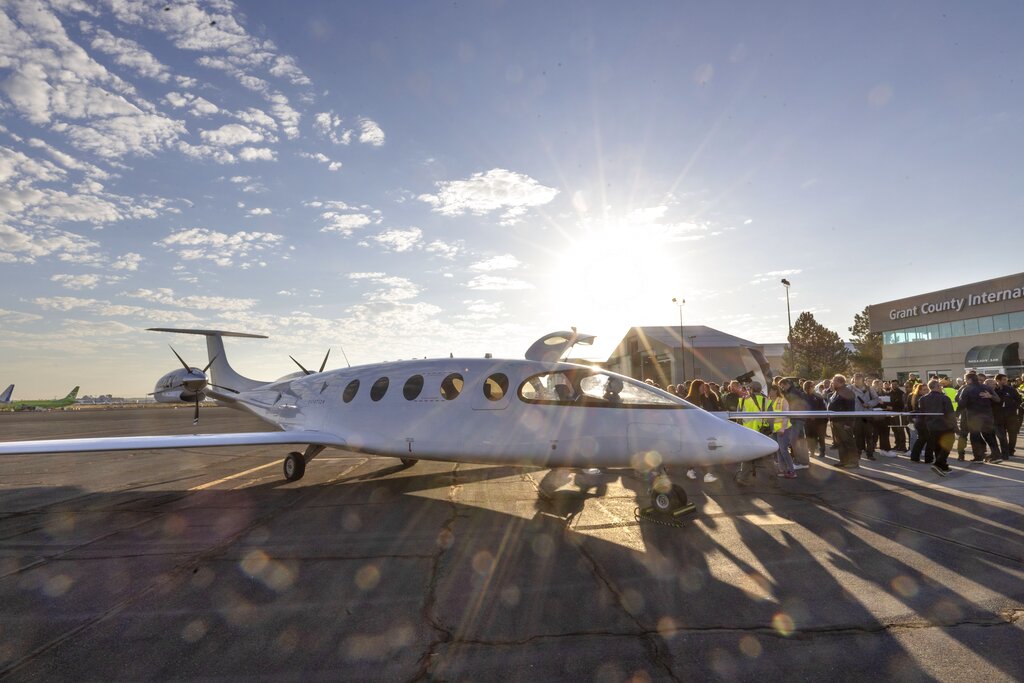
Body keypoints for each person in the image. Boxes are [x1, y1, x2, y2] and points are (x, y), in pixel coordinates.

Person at [735, 382, 780, 487]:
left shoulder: (742, 402)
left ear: (750, 389)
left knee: (747, 457)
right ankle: (774, 481)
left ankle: (743, 478)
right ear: (760, 390)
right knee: (768, 459)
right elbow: (771, 419)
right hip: (762, 433)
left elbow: (738, 419)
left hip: (747, 434)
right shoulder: (767, 401)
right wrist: (771, 431)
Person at [957, 372, 1001, 462]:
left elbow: (961, 404)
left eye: (965, 379)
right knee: (989, 436)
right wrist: (990, 396)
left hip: (974, 417)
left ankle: (978, 457)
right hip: (988, 416)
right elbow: (998, 399)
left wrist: (956, 414)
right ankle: (996, 456)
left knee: (975, 437)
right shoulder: (986, 387)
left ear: (969, 380)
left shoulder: (966, 389)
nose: (965, 381)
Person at [918, 379, 956, 475]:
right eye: (940, 386)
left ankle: (943, 466)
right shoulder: (944, 398)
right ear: (937, 387)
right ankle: (938, 464)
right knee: (948, 444)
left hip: (931, 426)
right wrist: (955, 426)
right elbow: (950, 414)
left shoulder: (923, 398)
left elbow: (922, 414)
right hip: (945, 426)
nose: (941, 387)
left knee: (938, 446)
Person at [684, 380, 719, 483]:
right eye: (702, 387)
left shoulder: (704, 398)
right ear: (696, 388)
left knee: (704, 451)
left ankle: (704, 473)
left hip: (703, 429)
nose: (705, 389)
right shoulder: (689, 400)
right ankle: (693, 470)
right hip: (693, 430)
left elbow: (710, 411)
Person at [778, 377, 811, 469]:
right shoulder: (795, 391)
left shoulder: (792, 393)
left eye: (782, 386)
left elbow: (791, 405)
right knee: (800, 440)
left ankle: (800, 462)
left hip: (796, 419)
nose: (782, 388)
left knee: (795, 440)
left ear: (785, 384)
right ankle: (804, 462)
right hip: (799, 419)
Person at [828, 374, 859, 467]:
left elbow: (850, 409)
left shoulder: (847, 392)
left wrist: (848, 423)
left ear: (840, 382)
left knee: (848, 442)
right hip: (836, 421)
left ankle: (853, 463)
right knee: (840, 443)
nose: (832, 383)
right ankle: (843, 461)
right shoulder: (837, 392)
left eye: (834, 381)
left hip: (844, 422)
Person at [769, 385, 797, 478]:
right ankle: (782, 470)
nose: (768, 392)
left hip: (783, 429)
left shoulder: (782, 400)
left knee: (783, 450)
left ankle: (792, 471)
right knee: (778, 450)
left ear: (775, 391)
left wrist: (782, 429)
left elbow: (786, 415)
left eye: (770, 390)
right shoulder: (769, 401)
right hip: (774, 429)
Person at [851, 373, 880, 460]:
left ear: (862, 380)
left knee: (869, 436)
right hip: (856, 415)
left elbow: (876, 399)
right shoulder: (850, 388)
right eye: (855, 379)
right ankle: (858, 453)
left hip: (867, 415)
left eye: (858, 379)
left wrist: (868, 404)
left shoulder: (869, 388)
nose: (856, 381)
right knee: (857, 435)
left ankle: (870, 454)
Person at [908, 381, 934, 463]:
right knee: (929, 440)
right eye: (924, 390)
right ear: (920, 391)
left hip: (920, 422)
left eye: (927, 390)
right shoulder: (922, 399)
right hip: (924, 422)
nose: (927, 391)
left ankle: (915, 457)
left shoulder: (915, 397)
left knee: (921, 439)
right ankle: (928, 459)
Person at [803, 379, 828, 458]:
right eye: (810, 386)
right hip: (808, 421)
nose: (812, 387)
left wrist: (817, 416)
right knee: (809, 437)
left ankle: (822, 452)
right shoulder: (803, 396)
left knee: (821, 437)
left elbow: (823, 408)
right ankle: (812, 451)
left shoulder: (818, 396)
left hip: (819, 421)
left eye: (813, 386)